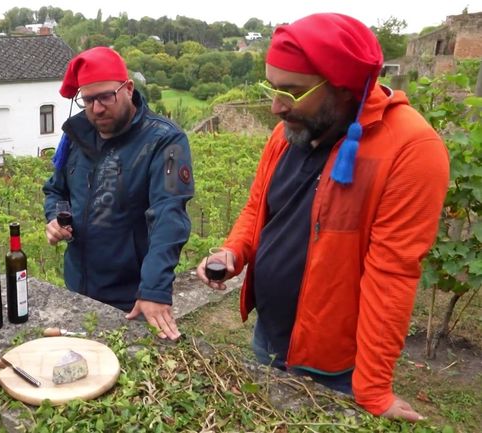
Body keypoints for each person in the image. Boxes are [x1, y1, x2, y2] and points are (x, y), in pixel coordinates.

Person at [196, 13, 449, 421]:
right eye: (272, 87)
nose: (276, 106)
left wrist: (373, 388)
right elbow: (258, 207)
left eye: (292, 91)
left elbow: (392, 276)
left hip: (335, 367)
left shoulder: (411, 150)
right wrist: (233, 251)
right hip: (269, 338)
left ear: (344, 85)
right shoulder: (289, 132)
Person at [43, 46, 194, 341]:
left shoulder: (165, 141)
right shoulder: (75, 135)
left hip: (132, 296)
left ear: (128, 88)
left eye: (105, 97)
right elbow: (56, 189)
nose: (97, 108)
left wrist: (153, 289)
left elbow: (169, 214)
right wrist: (56, 217)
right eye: (87, 100)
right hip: (78, 287)